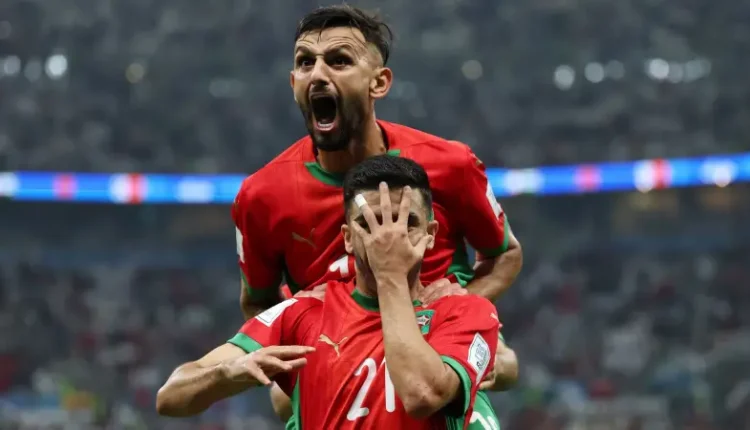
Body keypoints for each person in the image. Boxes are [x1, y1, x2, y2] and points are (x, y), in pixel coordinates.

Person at [233, 4, 522, 420]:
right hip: (336, 356)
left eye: (339, 61)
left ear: (379, 82)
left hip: (431, 347)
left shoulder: (451, 164)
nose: (318, 74)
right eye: (305, 62)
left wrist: (461, 306)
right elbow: (258, 300)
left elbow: (504, 253)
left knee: (499, 365)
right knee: (282, 402)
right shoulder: (260, 195)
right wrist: (299, 362)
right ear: (293, 81)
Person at [157, 156, 501, 429]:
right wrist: (227, 373)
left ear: (431, 234)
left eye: (405, 223)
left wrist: (390, 276)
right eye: (369, 224)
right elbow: (170, 397)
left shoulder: (467, 312)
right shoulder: (302, 312)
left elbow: (422, 394)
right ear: (347, 238)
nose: (387, 238)